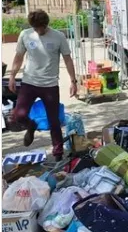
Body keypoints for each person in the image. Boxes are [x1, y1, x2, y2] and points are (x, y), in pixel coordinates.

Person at [8, 9, 77, 162]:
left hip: (50, 85)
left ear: (47, 24)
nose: (39, 31)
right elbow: (18, 57)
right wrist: (12, 76)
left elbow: (67, 59)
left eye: (41, 28)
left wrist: (73, 81)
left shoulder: (58, 36)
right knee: (18, 115)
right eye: (35, 28)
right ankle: (31, 126)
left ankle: (58, 154)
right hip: (29, 82)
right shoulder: (25, 35)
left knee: (54, 121)